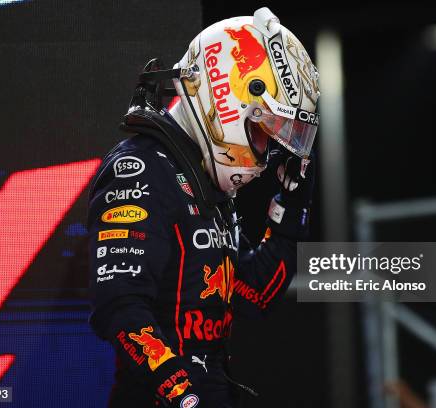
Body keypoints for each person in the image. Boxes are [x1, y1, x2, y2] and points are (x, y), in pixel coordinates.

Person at [87, 7, 320, 407]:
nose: (266, 157)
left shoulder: (201, 182)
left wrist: (290, 210)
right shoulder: (141, 169)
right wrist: (182, 394)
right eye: (264, 134)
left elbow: (253, 294)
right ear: (227, 102)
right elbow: (120, 305)